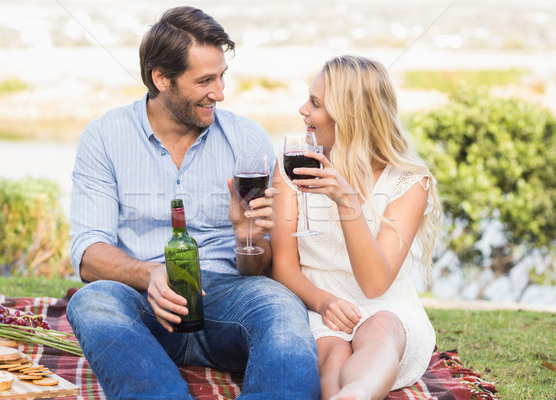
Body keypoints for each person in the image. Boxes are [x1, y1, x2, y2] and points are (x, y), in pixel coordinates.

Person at [66, 6, 320, 400]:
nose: (219, 92)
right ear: (161, 78)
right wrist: (148, 275)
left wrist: (245, 236)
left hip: (229, 298)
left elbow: (259, 265)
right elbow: (88, 254)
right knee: (92, 302)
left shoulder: (247, 138)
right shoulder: (104, 137)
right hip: (145, 302)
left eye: (221, 77)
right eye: (205, 81)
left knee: (282, 306)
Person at [270, 55, 442, 400]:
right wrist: (323, 302)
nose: (303, 109)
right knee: (334, 353)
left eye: (315, 103)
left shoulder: (408, 182)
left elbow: (375, 284)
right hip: (315, 299)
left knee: (383, 331)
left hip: (385, 304)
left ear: (349, 115)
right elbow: (283, 266)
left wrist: (347, 202)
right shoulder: (292, 167)